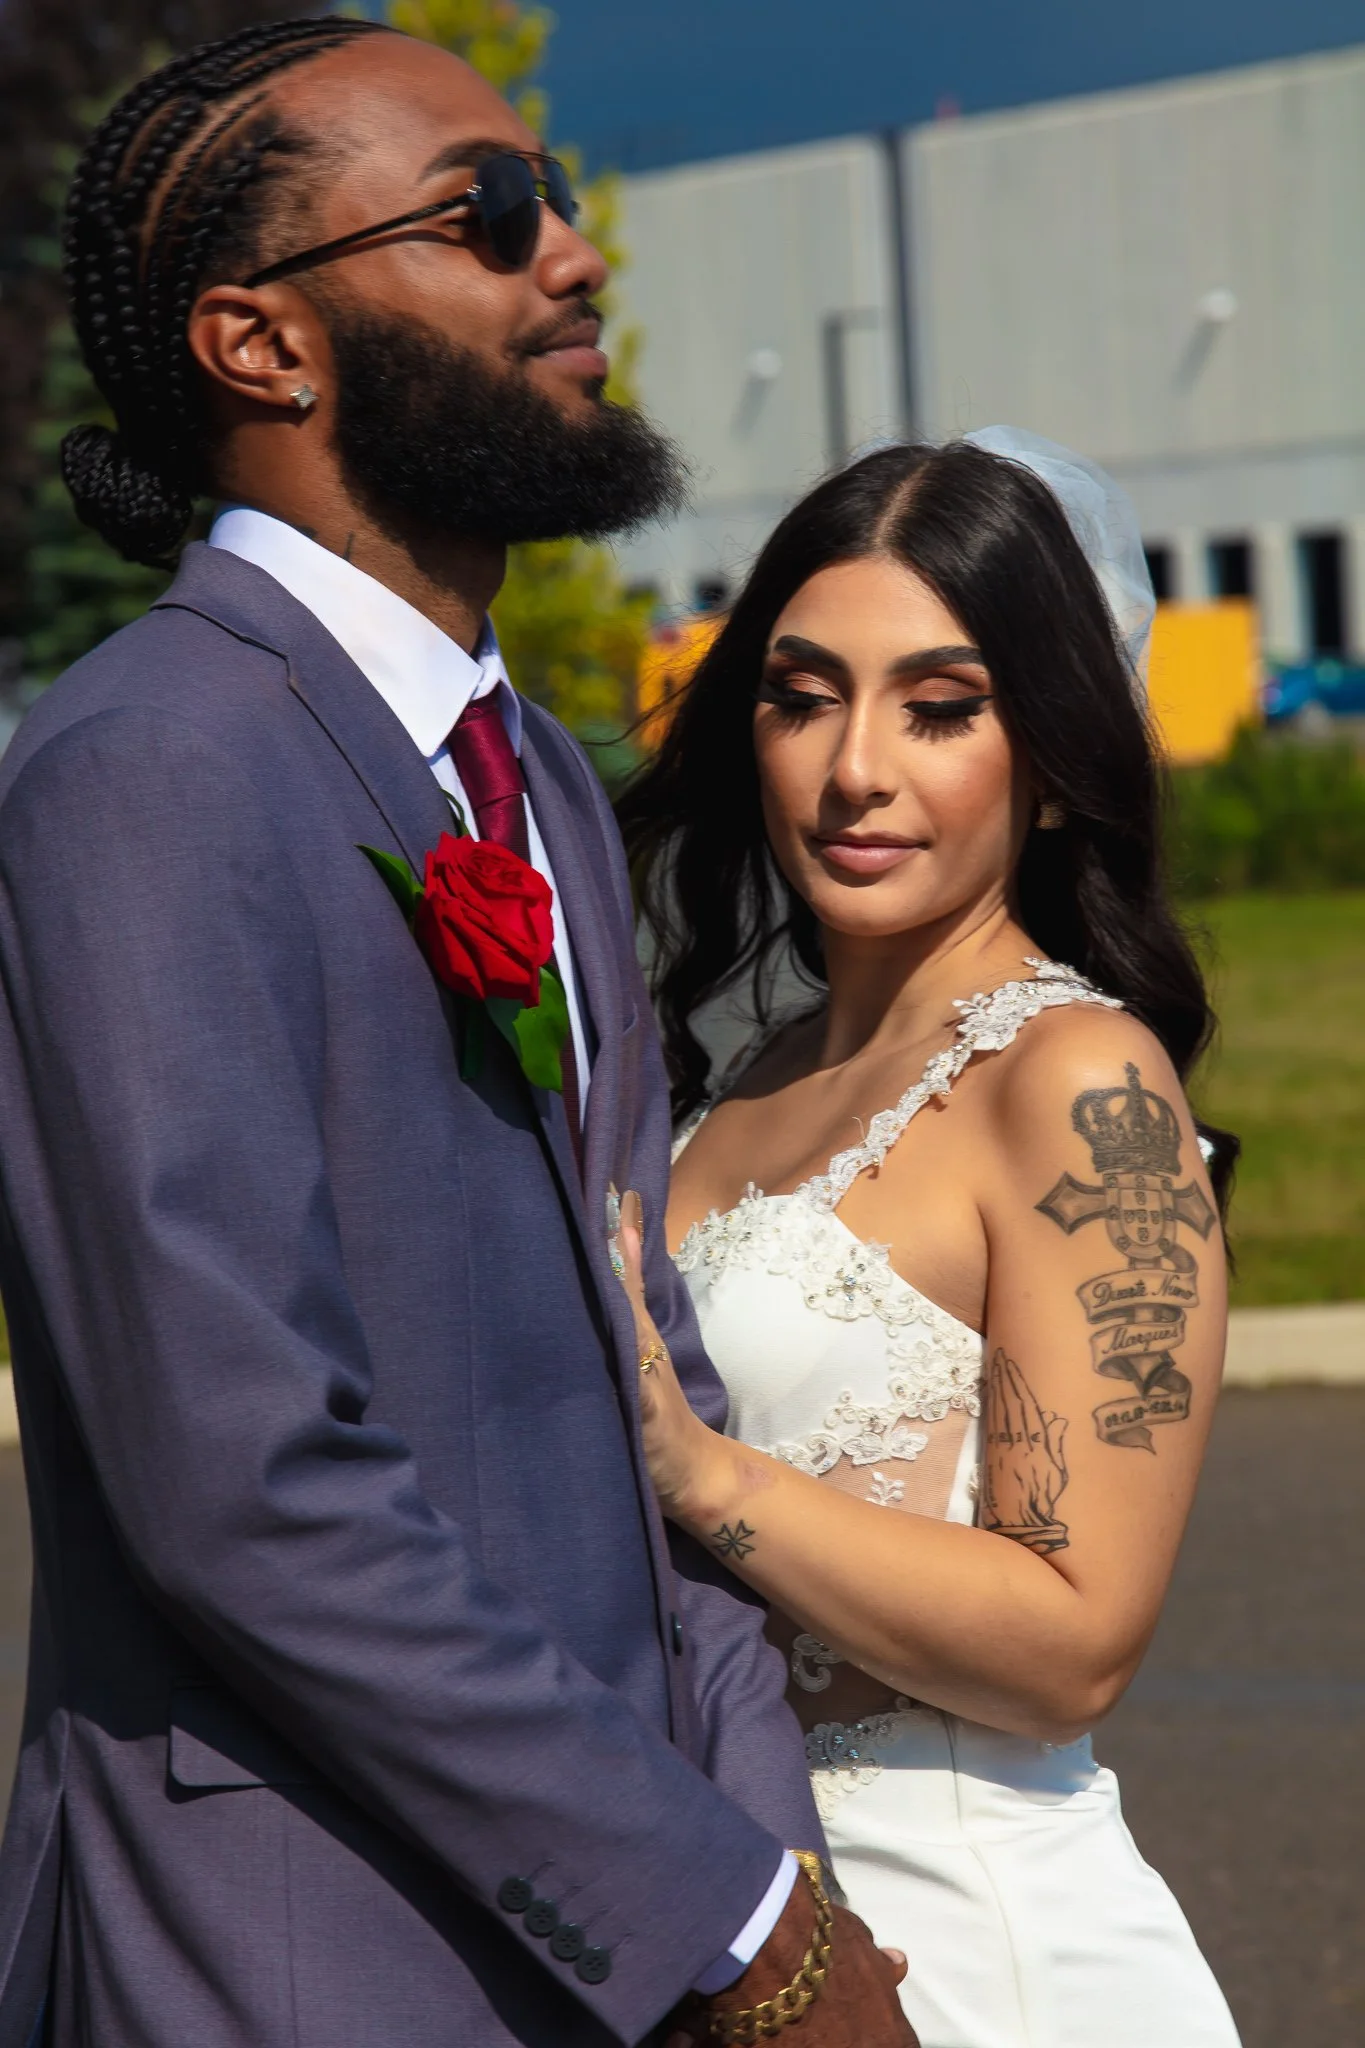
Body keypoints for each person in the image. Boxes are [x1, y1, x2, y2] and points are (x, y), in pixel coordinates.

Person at [0, 22, 914, 2048]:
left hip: (619, 1942)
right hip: (298, 1956)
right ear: (262, 343)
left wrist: (766, 1889)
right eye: (485, 214)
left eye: (556, 197)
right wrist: (726, 1920)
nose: (569, 254)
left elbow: (651, 1379)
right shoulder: (151, 768)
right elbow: (244, 1482)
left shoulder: (536, 774)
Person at [613, 434, 1245, 2047]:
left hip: (967, 1944)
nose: (856, 769)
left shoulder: (1080, 1084)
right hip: (726, 1920)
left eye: (940, 708)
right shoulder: (739, 1078)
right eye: (802, 696)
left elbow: (1075, 1642)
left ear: (1054, 755)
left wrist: (700, 1472)